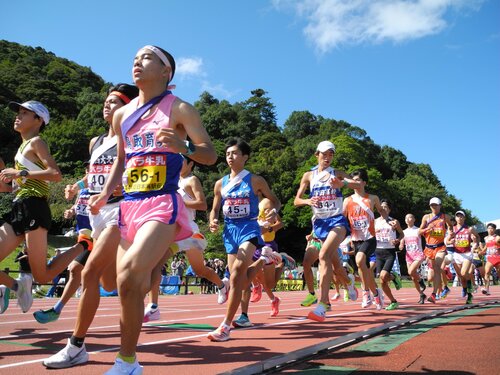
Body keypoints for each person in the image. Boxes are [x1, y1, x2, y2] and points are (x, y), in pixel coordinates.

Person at [90, 46, 216, 374]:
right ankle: (131, 362)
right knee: (124, 284)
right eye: (134, 57)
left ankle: (123, 362)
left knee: (131, 272)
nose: (137, 61)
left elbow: (210, 153)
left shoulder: (180, 109)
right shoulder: (122, 115)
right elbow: (121, 160)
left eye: (147, 57)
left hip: (162, 202)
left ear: (166, 71)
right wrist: (104, 193)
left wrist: (183, 146)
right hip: (128, 206)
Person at [43, 83, 139, 367]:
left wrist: (119, 190)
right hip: (96, 213)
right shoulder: (95, 142)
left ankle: (76, 346)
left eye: (114, 102)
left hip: (120, 211)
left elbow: (131, 171)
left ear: (127, 108)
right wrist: (78, 186)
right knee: (109, 281)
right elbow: (94, 175)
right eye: (106, 101)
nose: (107, 106)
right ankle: (137, 278)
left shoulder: (131, 136)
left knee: (89, 272)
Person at [0, 100, 90, 315]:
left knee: (43, 276)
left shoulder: (37, 142)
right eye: (18, 112)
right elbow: (11, 187)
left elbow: (55, 174)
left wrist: (19, 173)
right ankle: (17, 287)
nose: (18, 116)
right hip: (18, 208)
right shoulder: (21, 148)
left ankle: (84, 245)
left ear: (38, 120)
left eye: (24, 113)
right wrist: (8, 179)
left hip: (34, 208)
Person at [207, 139, 280, 341]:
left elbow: (275, 200)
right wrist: (213, 220)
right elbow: (214, 208)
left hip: (249, 227)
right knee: (235, 279)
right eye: (228, 153)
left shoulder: (255, 180)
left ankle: (225, 326)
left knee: (238, 271)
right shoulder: (219, 183)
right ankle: (263, 261)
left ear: (245, 157)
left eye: (235, 153)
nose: (230, 157)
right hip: (230, 230)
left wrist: (273, 213)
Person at [144, 155, 229, 322]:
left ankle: (222, 285)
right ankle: (153, 306)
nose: (177, 163)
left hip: (188, 229)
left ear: (190, 164)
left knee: (199, 270)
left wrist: (179, 202)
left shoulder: (192, 180)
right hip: (170, 228)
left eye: (181, 160)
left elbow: (202, 204)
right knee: (155, 263)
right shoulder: (169, 179)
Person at [294, 141, 359, 322]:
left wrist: (342, 183)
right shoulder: (308, 175)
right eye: (324, 154)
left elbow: (357, 184)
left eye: (331, 154)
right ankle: (349, 282)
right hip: (319, 225)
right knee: (336, 266)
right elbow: (296, 200)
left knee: (323, 256)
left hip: (337, 222)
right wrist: (308, 201)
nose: (328, 158)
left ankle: (322, 305)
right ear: (317, 154)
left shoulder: (336, 173)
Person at [33, 187, 91, 323]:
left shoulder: (106, 185)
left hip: (102, 236)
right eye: (87, 168)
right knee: (74, 269)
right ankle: (57, 310)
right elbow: (77, 205)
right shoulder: (82, 191)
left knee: (107, 280)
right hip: (86, 238)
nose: (89, 170)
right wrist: (71, 211)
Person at [343, 168, 388, 310]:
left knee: (359, 260)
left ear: (364, 182)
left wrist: (389, 221)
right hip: (356, 239)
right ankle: (376, 293)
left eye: (357, 180)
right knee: (365, 270)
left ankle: (365, 293)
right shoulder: (347, 200)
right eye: (353, 180)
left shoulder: (372, 198)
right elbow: (342, 218)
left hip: (370, 237)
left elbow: (382, 212)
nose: (354, 183)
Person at [419, 197, 454, 303]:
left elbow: (450, 226)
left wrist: (450, 233)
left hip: (440, 247)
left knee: (438, 267)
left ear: (440, 206)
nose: (434, 207)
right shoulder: (426, 217)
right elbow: (419, 231)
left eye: (436, 205)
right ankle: (444, 287)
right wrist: (426, 229)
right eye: (432, 205)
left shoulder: (444, 217)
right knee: (431, 275)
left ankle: (434, 294)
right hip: (429, 248)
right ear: (430, 206)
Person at [374, 199, 404, 311]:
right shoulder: (375, 221)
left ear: (389, 209)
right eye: (381, 207)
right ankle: (393, 301)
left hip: (389, 252)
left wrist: (397, 240)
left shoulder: (394, 221)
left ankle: (393, 276)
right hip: (378, 251)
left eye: (385, 207)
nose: (383, 209)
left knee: (382, 276)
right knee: (382, 280)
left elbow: (402, 234)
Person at [445, 210, 480, 304]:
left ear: (464, 218)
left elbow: (477, 237)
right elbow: (447, 242)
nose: (459, 218)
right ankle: (465, 288)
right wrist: (450, 241)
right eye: (457, 216)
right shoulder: (452, 229)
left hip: (467, 254)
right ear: (455, 218)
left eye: (461, 216)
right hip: (456, 255)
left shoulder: (469, 229)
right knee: (461, 277)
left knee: (464, 273)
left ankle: (470, 293)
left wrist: (475, 243)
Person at [399, 213, 427, 303]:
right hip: (409, 256)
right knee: (413, 278)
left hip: (418, 254)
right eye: (406, 218)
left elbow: (427, 236)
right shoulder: (404, 232)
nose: (408, 219)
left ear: (414, 219)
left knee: (410, 271)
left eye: (410, 217)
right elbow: (402, 241)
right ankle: (421, 294)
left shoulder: (418, 230)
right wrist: (401, 245)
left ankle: (421, 281)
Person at [482, 223, 499, 295]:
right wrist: (481, 252)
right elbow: (486, 247)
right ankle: (486, 289)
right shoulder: (486, 238)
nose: (490, 230)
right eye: (488, 228)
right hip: (490, 258)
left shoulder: (498, 237)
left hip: (498, 257)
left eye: (491, 228)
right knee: (487, 272)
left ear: (494, 229)